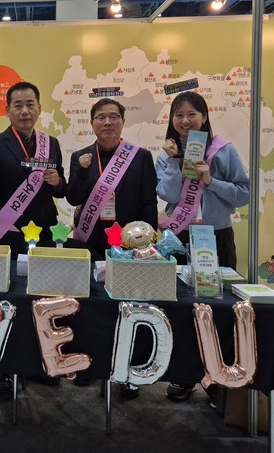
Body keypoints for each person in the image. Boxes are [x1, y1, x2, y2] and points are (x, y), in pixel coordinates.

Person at [155, 91, 249, 404]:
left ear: (204, 116)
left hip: (215, 237)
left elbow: (243, 194)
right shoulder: (167, 152)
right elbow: (168, 195)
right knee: (180, 307)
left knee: (218, 308)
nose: (185, 120)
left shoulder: (223, 150)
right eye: (178, 114)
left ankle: (216, 378)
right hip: (177, 237)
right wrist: (173, 161)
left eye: (191, 114)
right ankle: (183, 376)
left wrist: (211, 181)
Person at [0, 81, 67, 399]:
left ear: (40, 108)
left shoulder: (51, 143)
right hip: (9, 235)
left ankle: (41, 364)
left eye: (30, 104)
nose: (25, 110)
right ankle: (5, 369)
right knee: (7, 302)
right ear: (7, 110)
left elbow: (61, 190)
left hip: (43, 232)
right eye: (18, 105)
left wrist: (57, 182)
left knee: (42, 301)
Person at [66, 97, 158, 399]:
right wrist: (81, 172)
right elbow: (72, 197)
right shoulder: (81, 156)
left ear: (123, 121)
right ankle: (88, 365)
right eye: (101, 117)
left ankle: (131, 372)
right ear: (92, 123)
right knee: (90, 306)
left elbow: (148, 201)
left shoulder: (140, 157)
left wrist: (148, 242)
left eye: (113, 117)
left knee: (130, 306)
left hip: (129, 242)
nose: (107, 123)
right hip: (91, 240)